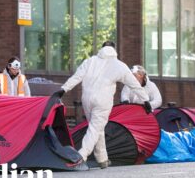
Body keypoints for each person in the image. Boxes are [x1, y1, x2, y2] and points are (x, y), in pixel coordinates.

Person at [52, 41, 151, 169]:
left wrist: (63, 89)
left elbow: (77, 77)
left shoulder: (90, 61)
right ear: (114, 50)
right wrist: (146, 100)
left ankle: (102, 159)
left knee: (97, 128)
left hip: (87, 98)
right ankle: (80, 157)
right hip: (103, 100)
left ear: (102, 49)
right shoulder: (119, 66)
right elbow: (134, 85)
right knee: (95, 129)